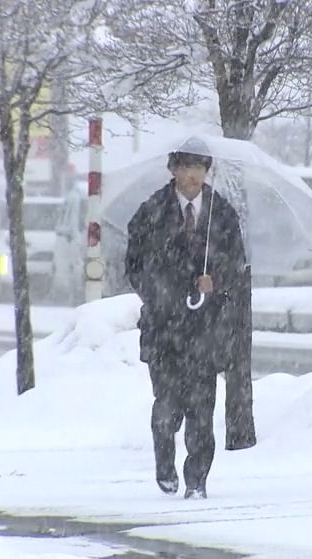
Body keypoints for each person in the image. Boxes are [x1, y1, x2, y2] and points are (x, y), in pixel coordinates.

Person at [125, 137, 246, 499]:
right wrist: (164, 292)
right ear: (173, 169)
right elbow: (134, 265)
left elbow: (235, 261)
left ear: (206, 171)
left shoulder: (221, 214)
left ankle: (197, 480)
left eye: (198, 167)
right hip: (164, 329)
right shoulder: (152, 211)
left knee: (201, 409)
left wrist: (216, 281)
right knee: (167, 408)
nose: (192, 175)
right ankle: (165, 465)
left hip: (205, 329)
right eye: (185, 167)